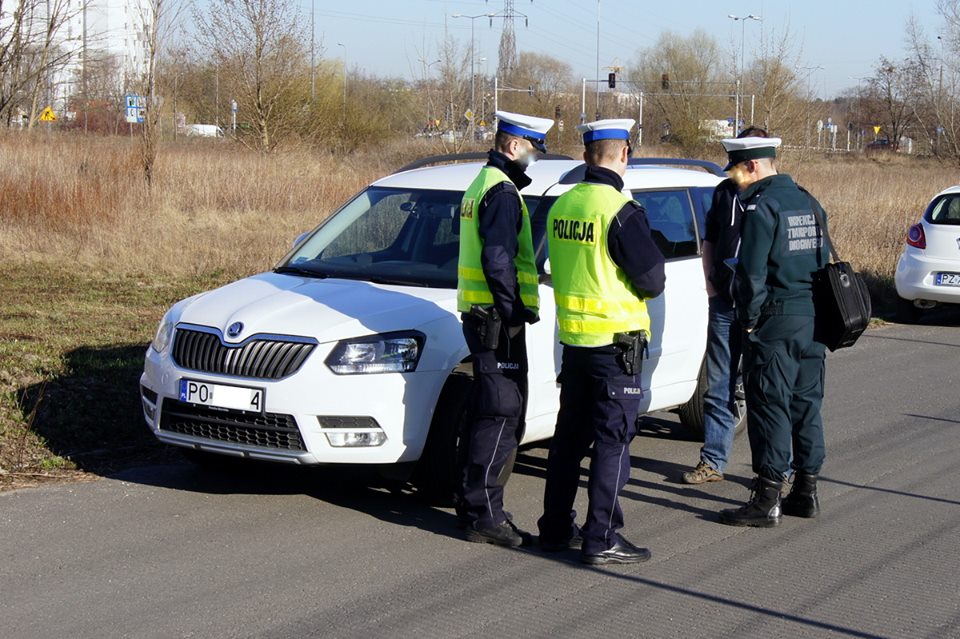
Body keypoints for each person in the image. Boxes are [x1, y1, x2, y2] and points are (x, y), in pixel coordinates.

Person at [537, 119, 666, 565]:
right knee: (613, 443)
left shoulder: (562, 204)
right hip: (615, 347)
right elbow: (652, 280)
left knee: (568, 441)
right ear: (624, 154)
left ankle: (555, 528)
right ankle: (601, 536)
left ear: (587, 155)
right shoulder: (620, 211)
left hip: (574, 344)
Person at [717, 136, 830, 527]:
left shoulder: (762, 208)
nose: (733, 180)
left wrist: (748, 320)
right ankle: (806, 490)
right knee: (805, 403)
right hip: (814, 319)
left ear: (752, 166)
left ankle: (766, 499)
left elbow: (751, 275)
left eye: (734, 171)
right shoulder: (808, 201)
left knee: (769, 405)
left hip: (775, 321)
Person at [456, 110, 554, 547]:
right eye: (532, 151)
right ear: (513, 146)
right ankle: (485, 514)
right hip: (497, 322)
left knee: (489, 412)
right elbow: (498, 260)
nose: (532, 160)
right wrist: (514, 312)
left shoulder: (481, 184)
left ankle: (472, 503)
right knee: (501, 413)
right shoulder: (502, 193)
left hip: (481, 316)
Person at [682, 126, 769, 485]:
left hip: (763, 310)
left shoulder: (774, 197)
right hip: (724, 305)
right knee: (718, 385)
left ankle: (776, 468)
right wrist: (710, 286)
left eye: (735, 164)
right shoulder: (722, 194)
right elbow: (710, 240)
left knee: (766, 388)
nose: (729, 171)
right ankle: (713, 461)